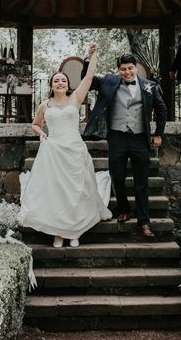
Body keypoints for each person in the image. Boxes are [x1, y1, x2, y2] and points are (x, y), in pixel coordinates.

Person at [19, 43, 112, 248]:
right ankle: (58, 232)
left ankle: (74, 231)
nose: (60, 83)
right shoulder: (45, 105)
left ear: (67, 84)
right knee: (57, 192)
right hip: (53, 151)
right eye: (56, 81)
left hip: (74, 150)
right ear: (51, 85)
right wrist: (42, 133)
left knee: (76, 191)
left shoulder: (75, 98)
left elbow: (89, 78)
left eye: (63, 80)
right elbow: (35, 124)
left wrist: (93, 55)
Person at [81, 48, 167, 238]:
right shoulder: (109, 81)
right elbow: (86, 80)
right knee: (117, 177)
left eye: (130, 68)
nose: (127, 72)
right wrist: (89, 58)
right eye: (123, 69)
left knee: (141, 182)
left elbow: (161, 110)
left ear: (136, 68)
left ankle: (144, 222)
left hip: (140, 138)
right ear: (118, 69)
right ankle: (124, 209)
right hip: (117, 137)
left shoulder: (150, 86)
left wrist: (158, 134)